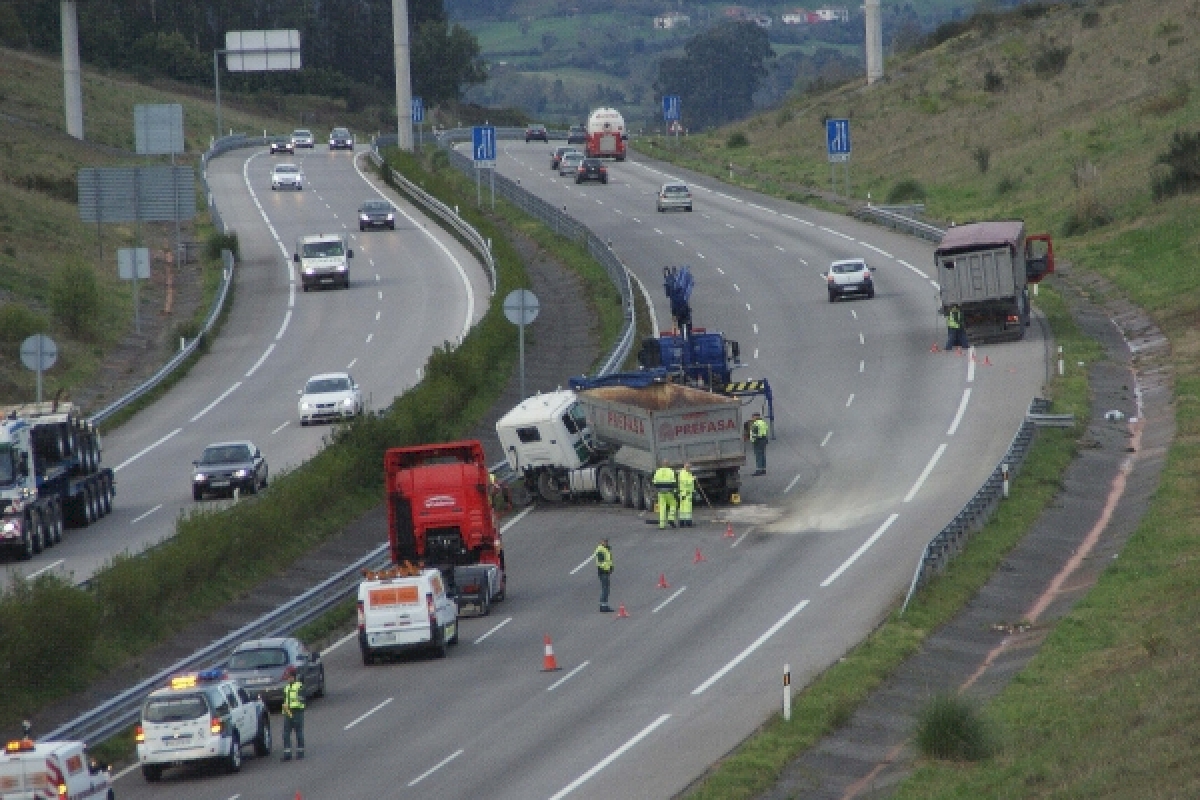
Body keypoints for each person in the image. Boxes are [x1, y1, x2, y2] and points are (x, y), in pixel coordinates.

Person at [281, 666, 306, 761]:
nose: (288, 679)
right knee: (286, 733)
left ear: (293, 676)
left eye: (289, 676)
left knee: (298, 732)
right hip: (288, 712)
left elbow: (302, 700)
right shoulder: (286, 688)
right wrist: (286, 711)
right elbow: (285, 700)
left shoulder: (299, 686)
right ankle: (287, 753)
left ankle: (300, 752)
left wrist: (296, 708)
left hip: (297, 711)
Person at [652, 459, 678, 529]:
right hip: (669, 492)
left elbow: (654, 482)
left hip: (660, 493)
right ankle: (671, 518)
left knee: (662, 508)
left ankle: (662, 525)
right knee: (673, 504)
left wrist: (657, 490)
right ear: (668, 464)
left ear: (662, 464)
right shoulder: (671, 471)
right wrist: (675, 491)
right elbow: (673, 482)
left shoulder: (658, 471)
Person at [594, 538, 614, 612]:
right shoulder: (600, 550)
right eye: (604, 541)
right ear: (601, 542)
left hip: (606, 571)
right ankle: (603, 606)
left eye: (606, 541)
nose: (606, 542)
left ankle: (604, 605)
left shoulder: (606, 549)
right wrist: (607, 569)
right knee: (605, 589)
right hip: (603, 572)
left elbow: (609, 560)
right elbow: (600, 562)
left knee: (606, 588)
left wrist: (611, 567)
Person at [677, 462, 696, 527]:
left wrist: (693, 490)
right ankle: (688, 523)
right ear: (685, 466)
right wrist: (692, 479)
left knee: (683, 508)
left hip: (685, 493)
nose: (689, 468)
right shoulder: (683, 473)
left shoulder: (686, 473)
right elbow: (685, 482)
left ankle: (682, 522)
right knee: (687, 508)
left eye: (690, 467)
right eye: (688, 467)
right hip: (686, 493)